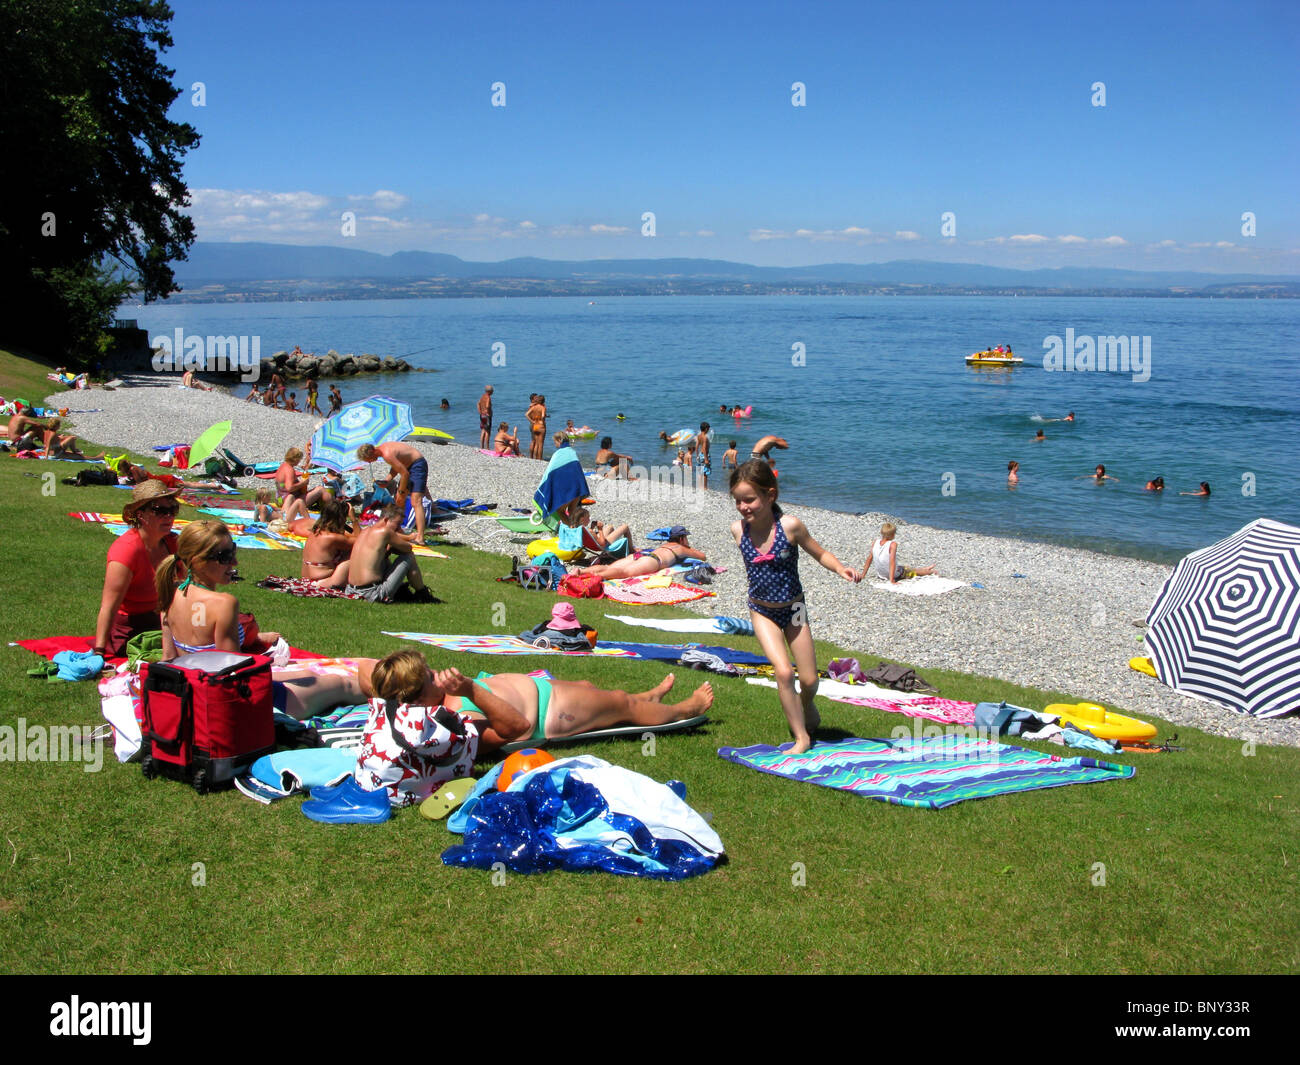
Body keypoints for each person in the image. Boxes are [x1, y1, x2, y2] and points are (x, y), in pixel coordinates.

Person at [730, 460, 856, 754]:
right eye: (738, 501)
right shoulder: (738, 531)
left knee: (810, 681)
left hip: (795, 611)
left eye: (749, 499)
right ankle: (802, 738)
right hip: (762, 611)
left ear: (770, 495)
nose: (743, 507)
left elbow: (820, 553)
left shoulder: (790, 526)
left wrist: (840, 569)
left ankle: (805, 703)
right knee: (784, 673)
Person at [155, 520, 279, 658]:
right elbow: (230, 666)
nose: (235, 562)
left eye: (233, 551)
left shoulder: (170, 593)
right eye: (225, 557)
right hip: (213, 677)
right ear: (197, 562)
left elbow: (168, 657)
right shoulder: (224, 603)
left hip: (183, 676)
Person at [92, 481, 183, 658]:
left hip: (166, 618)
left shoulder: (173, 542)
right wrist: (99, 651)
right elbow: (109, 606)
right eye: (160, 511)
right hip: (134, 626)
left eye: (172, 510)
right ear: (141, 515)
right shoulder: (127, 550)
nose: (169, 516)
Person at [345, 503, 434, 602]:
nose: (399, 528)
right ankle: (423, 594)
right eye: (398, 524)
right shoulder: (385, 532)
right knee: (409, 557)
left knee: (384, 558)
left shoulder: (365, 531)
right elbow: (408, 548)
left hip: (350, 590)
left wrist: (389, 549)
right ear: (386, 520)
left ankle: (403, 590)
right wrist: (394, 544)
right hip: (372, 593)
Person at [356, 440, 430, 543]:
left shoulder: (387, 454)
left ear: (372, 451)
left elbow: (405, 474)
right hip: (408, 466)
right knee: (399, 501)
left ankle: (420, 537)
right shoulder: (382, 451)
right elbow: (396, 467)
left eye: (369, 459)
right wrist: (387, 480)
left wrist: (401, 492)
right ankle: (400, 531)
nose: (370, 462)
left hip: (417, 465)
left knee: (416, 501)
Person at [582, 530, 705, 579]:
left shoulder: (665, 545)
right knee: (624, 573)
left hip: (643, 554)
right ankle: (595, 577)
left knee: (611, 568)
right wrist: (687, 547)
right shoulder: (681, 548)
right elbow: (702, 556)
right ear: (682, 538)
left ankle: (581, 572)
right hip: (652, 560)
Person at [858, 522, 938, 585]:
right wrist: (892, 579)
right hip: (892, 574)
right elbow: (892, 562)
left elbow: (869, 559)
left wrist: (863, 574)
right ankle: (931, 572)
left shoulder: (875, 542)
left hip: (881, 574)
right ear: (892, 534)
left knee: (904, 567)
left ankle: (925, 569)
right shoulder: (893, 544)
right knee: (911, 571)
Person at [301, 499, 357, 588]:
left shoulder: (316, 531)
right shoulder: (333, 538)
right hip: (324, 581)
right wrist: (354, 519)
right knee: (356, 551)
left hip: (307, 578)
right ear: (340, 518)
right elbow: (361, 540)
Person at [276, 447, 322, 522]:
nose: (299, 461)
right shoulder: (289, 470)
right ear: (295, 459)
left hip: (279, 499)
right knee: (320, 489)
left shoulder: (283, 466)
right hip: (288, 500)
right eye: (299, 459)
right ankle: (332, 511)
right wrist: (303, 483)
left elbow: (285, 486)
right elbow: (289, 488)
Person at [526, 393, 547, 459]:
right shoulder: (542, 407)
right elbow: (543, 416)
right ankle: (539, 458)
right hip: (540, 425)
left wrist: (532, 421)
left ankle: (534, 458)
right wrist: (543, 422)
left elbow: (526, 414)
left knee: (535, 442)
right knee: (540, 444)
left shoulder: (533, 407)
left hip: (535, 425)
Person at [695, 422, 712, 489]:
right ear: (706, 429)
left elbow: (696, 446)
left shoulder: (699, 436)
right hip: (705, 455)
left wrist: (697, 455)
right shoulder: (705, 438)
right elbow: (704, 449)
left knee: (700, 471)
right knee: (705, 472)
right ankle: (705, 487)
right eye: (708, 429)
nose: (708, 430)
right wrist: (706, 459)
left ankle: (699, 486)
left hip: (700, 455)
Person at [477, 384, 494, 449]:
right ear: (489, 391)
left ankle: (481, 447)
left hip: (482, 415)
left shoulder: (482, 396)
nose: (493, 392)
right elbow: (487, 406)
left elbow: (478, 403)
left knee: (483, 430)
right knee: (488, 432)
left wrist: (480, 412)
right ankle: (487, 447)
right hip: (487, 416)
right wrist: (488, 412)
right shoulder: (488, 397)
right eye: (492, 391)